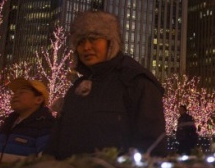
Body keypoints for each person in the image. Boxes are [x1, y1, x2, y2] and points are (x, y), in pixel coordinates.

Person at [45, 10, 166, 159]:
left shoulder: (136, 83)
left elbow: (152, 147)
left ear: (111, 43)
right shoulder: (77, 88)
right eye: (80, 42)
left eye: (94, 39)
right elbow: (56, 141)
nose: (86, 47)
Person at [0, 78, 55, 163]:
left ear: (38, 100)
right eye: (15, 93)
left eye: (22, 92)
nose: (15, 96)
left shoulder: (45, 125)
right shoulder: (8, 123)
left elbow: (46, 161)